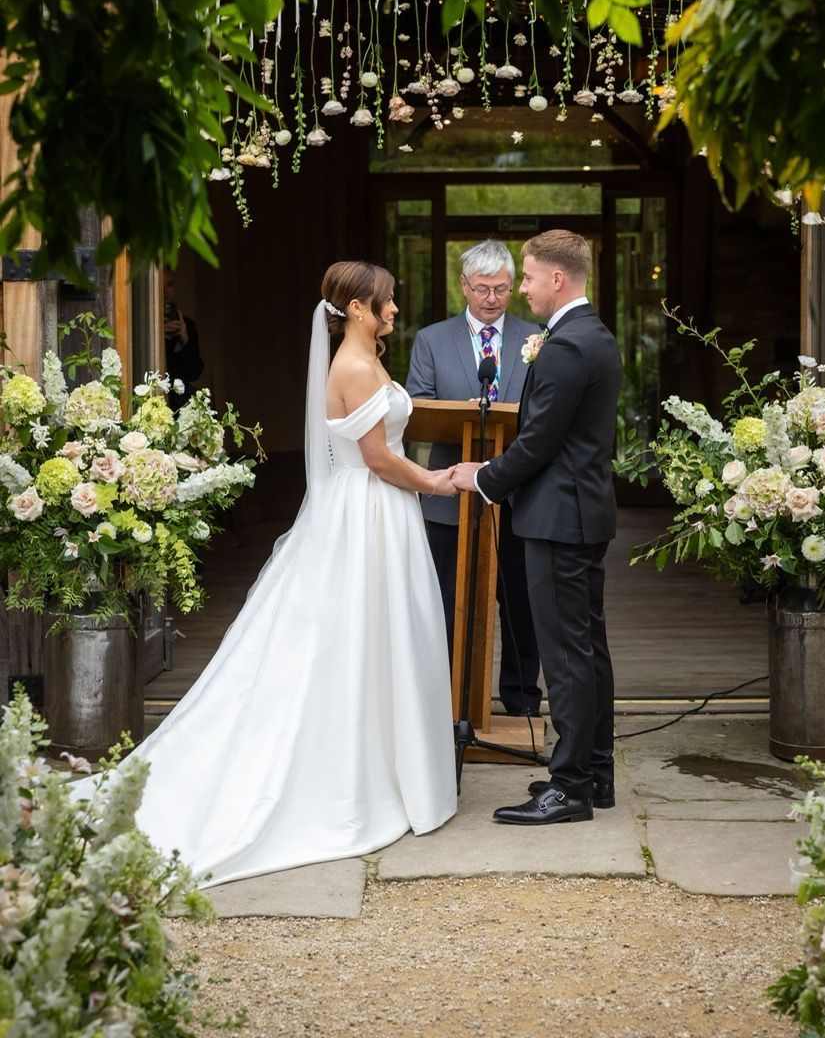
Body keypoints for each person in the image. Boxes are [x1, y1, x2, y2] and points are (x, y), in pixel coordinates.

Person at [74, 262, 459, 884]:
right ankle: (357, 774)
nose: (393, 310)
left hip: (375, 515)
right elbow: (380, 460)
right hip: (366, 513)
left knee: (370, 635)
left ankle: (386, 760)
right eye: (385, 303)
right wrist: (438, 482)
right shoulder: (357, 368)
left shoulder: (368, 358)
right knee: (354, 636)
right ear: (356, 309)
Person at [452, 230, 622, 826]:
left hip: (557, 518)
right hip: (583, 512)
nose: (519, 289)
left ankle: (570, 786)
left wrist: (482, 477)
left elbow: (540, 441)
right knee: (587, 649)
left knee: (567, 655)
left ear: (557, 278)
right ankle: (595, 772)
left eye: (525, 277)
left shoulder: (566, 346)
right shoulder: (593, 336)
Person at [405, 240, 542, 717]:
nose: (491, 298)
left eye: (502, 289)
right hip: (451, 491)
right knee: (448, 600)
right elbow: (417, 408)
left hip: (518, 494)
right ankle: (449, 699)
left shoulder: (537, 336)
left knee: (521, 602)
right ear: (463, 286)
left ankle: (521, 697)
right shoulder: (431, 339)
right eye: (482, 289)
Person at [163, 267, 204, 411]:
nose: (165, 290)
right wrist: (161, 337)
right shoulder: (146, 326)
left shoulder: (187, 325)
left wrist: (184, 337)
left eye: (170, 284)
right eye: (161, 285)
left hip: (181, 403)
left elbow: (194, 372)